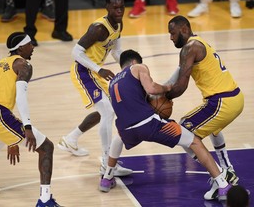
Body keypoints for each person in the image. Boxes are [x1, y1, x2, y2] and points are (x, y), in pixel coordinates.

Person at [99, 49, 232, 201]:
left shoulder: (113, 83)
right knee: (194, 141)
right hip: (148, 124)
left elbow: (127, 104)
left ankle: (107, 177)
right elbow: (152, 89)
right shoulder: (138, 68)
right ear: (135, 62)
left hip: (126, 129)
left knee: (119, 138)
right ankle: (222, 185)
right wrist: (167, 88)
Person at [0, 32, 62, 207]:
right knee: (46, 147)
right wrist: (27, 127)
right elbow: (21, 97)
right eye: (30, 44)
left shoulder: (0, 62)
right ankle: (45, 200)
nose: (33, 47)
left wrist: (11, 140)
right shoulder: (23, 65)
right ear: (20, 48)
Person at [165, 15, 244, 200]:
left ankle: (219, 177)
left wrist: (162, 99)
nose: (170, 38)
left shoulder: (189, 48)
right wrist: (160, 91)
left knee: (183, 129)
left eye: (172, 33)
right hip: (235, 97)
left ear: (184, 29)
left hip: (222, 101)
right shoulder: (198, 41)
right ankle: (227, 169)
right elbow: (175, 78)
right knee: (213, 127)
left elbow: (181, 86)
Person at [57, 0, 132, 177]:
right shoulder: (99, 28)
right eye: (115, 7)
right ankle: (107, 163)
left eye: (121, 7)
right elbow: (76, 52)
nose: (119, 10)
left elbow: (117, 50)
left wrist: (129, 66)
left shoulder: (119, 23)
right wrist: (99, 70)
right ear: (107, 7)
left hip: (95, 72)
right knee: (108, 111)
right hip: (83, 71)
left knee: (105, 111)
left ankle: (70, 139)